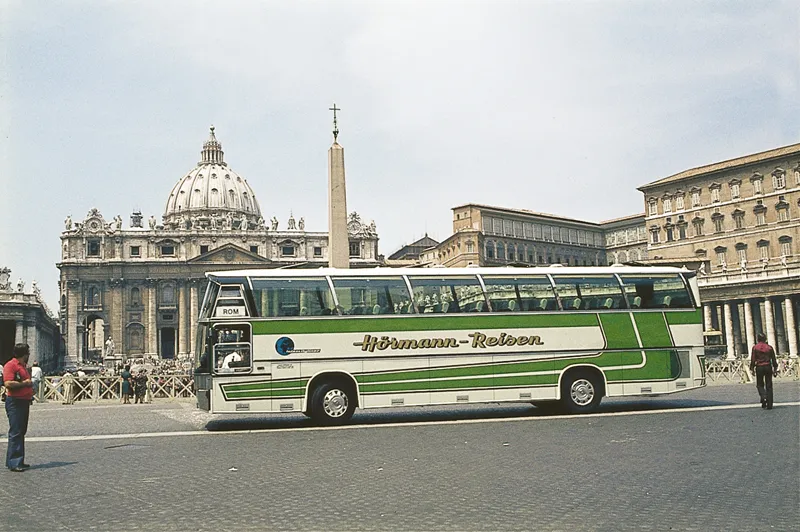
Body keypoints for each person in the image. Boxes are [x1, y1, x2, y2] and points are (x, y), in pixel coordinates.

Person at [3, 343, 34, 471]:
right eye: (28, 353)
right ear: (24, 354)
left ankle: (17, 460)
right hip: (15, 402)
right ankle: (14, 462)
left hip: (23, 401)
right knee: (15, 431)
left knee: (21, 431)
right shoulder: (11, 365)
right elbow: (8, 383)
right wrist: (25, 383)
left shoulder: (23, 366)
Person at [750, 333, 779, 410]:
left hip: (759, 367)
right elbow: (773, 359)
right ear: (765, 339)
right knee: (769, 385)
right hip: (768, 366)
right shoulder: (769, 347)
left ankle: (764, 396)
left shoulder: (755, 347)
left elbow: (753, 359)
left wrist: (752, 368)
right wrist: (775, 369)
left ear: (757, 339)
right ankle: (769, 404)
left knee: (759, 384)